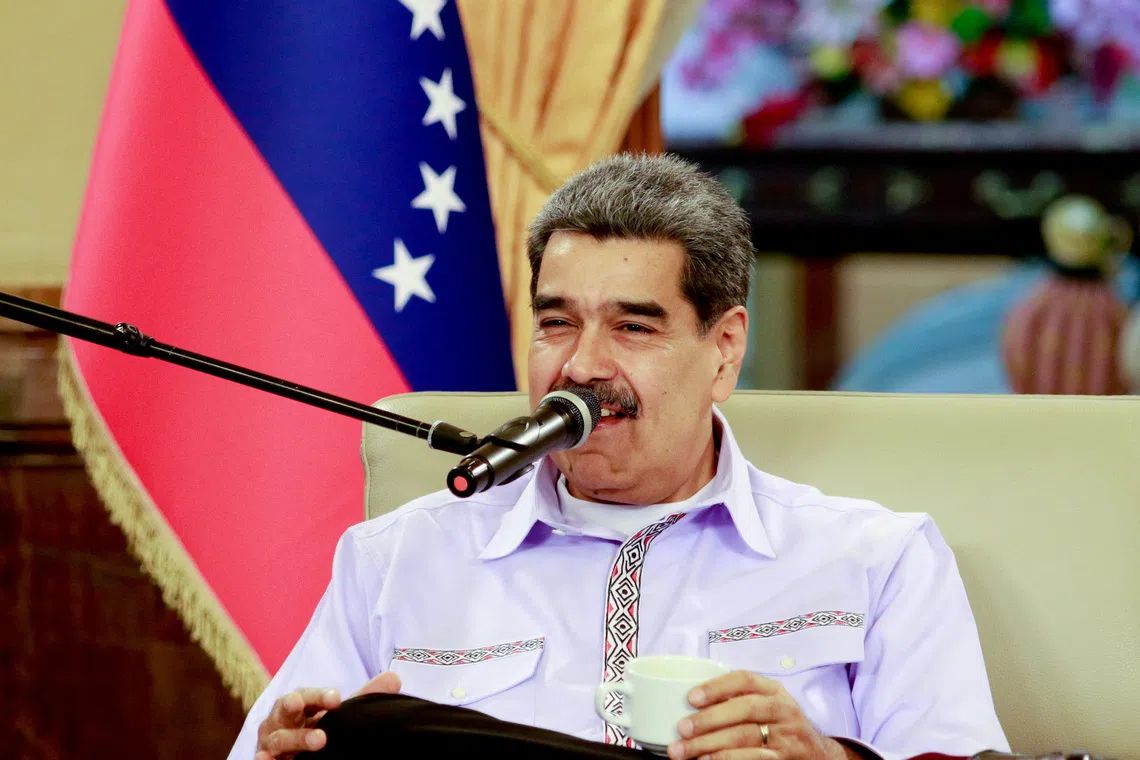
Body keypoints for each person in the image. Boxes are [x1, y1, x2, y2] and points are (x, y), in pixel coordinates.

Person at [230, 153, 1009, 760]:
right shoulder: (395, 559)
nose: (581, 367)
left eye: (633, 327)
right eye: (557, 323)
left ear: (724, 350)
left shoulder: (876, 560)